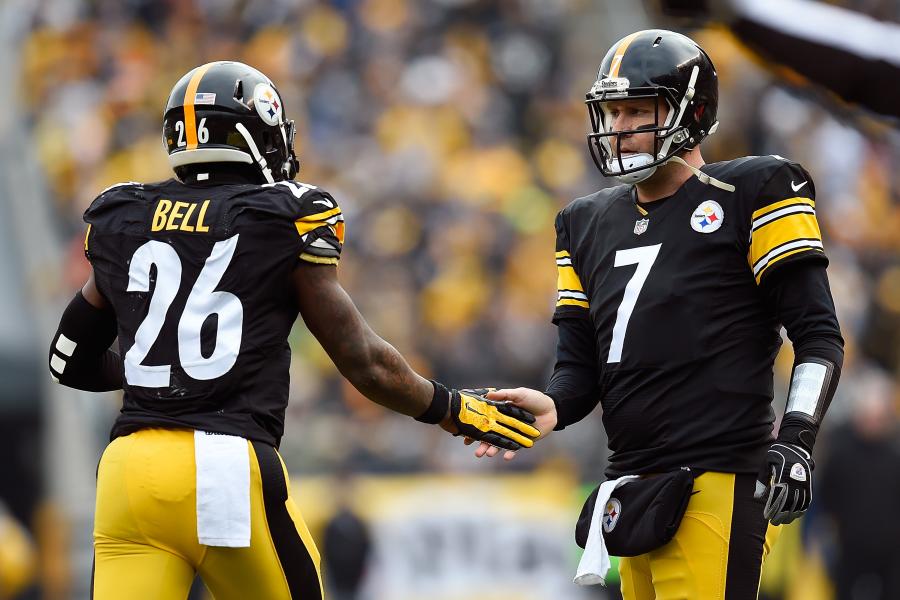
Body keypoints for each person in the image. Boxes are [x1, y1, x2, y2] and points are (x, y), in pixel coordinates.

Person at [47, 61, 540, 600]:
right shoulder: (284, 215)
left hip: (127, 469)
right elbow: (365, 364)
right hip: (222, 464)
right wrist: (451, 409)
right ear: (255, 134)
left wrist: (158, 369)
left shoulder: (124, 213)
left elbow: (66, 360)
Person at [469, 29, 844, 599]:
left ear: (690, 113)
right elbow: (581, 365)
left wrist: (796, 438)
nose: (618, 127)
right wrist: (554, 405)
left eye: (637, 110)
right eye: (612, 112)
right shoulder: (584, 221)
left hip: (716, 478)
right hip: (630, 486)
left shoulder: (754, 189)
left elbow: (817, 335)